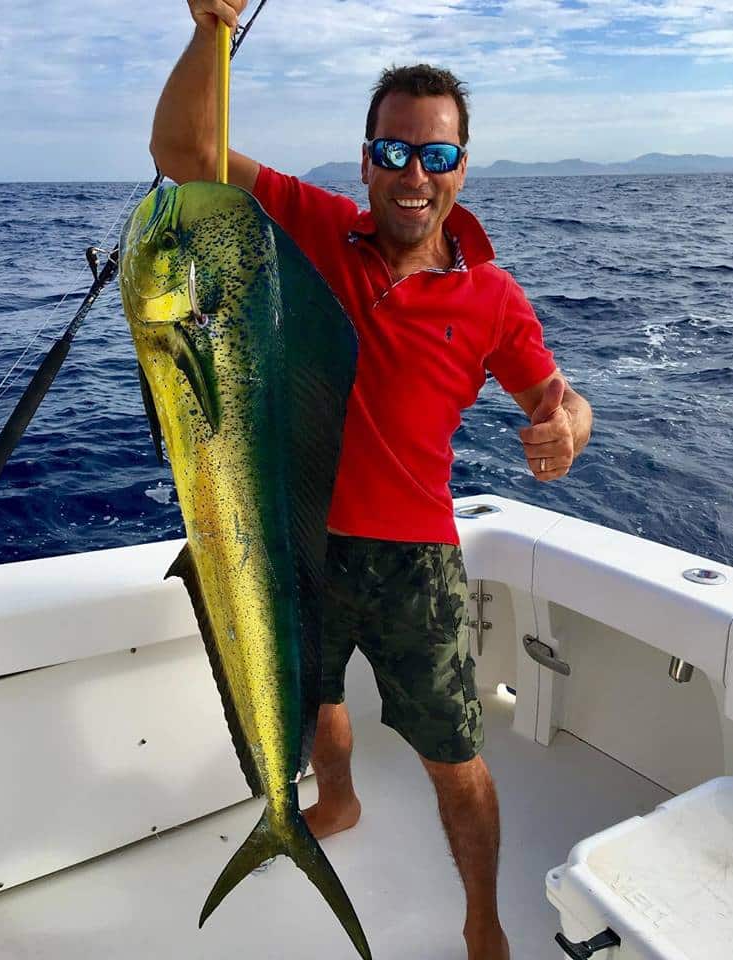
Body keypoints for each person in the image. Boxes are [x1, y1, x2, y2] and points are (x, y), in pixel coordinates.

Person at [151, 4, 593, 957]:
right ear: (364, 160)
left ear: (461, 169)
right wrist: (210, 33)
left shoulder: (492, 296)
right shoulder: (314, 226)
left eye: (436, 157)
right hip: (297, 541)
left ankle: (482, 919)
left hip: (416, 559)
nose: (413, 176)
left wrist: (567, 427)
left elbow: (556, 396)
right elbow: (185, 152)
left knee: (453, 755)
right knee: (316, 704)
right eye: (394, 152)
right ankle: (337, 806)